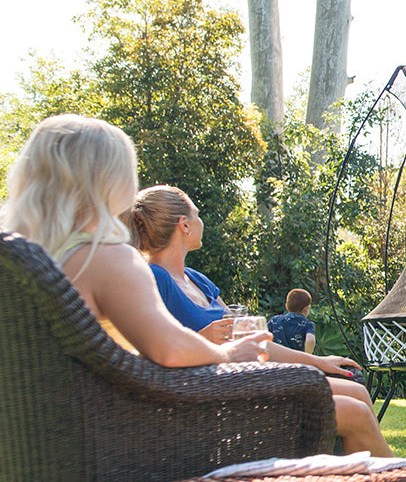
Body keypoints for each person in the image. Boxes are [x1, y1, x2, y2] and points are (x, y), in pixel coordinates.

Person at [126, 184, 391, 456]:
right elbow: (147, 353)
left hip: (252, 379)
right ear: (184, 225)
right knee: (356, 411)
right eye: (197, 214)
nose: (200, 221)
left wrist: (318, 361)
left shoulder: (198, 280)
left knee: (357, 394)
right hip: (221, 398)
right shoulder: (154, 279)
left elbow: (252, 341)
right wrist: (204, 340)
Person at [0, 115, 270, 369]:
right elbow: (170, 349)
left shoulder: (19, 259)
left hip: (40, 416)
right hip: (113, 416)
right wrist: (229, 354)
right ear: (113, 182)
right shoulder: (105, 258)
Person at [269, 288, 318, 354]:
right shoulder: (307, 324)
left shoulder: (275, 320)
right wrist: (307, 356)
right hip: (295, 362)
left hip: (275, 360)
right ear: (307, 308)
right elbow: (310, 340)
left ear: (286, 306)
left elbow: (262, 335)